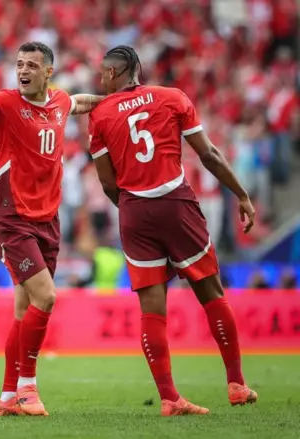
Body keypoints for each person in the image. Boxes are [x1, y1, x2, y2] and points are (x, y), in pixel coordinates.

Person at [89, 45, 258, 416]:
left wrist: (134, 209)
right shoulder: (172, 97)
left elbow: (106, 183)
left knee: (152, 308)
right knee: (211, 291)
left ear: (116, 74)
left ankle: (169, 398)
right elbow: (209, 154)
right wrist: (241, 195)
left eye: (103, 74)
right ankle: (236, 384)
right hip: (176, 203)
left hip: (134, 210)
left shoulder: (100, 114)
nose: (99, 81)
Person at [0, 31, 101, 416]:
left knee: (23, 306)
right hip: (11, 218)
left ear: (49, 72)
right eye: (19, 65)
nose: (23, 71)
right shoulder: (5, 103)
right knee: (46, 297)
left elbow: (82, 102)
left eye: (31, 65)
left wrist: (123, 99)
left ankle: (6, 398)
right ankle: (28, 390)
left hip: (47, 218)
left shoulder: (61, 100)